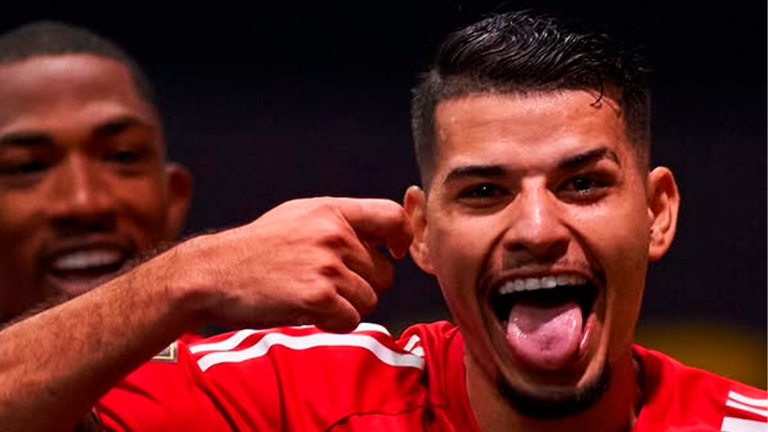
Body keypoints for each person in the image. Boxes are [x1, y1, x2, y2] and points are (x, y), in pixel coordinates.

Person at [1, 10, 765, 432]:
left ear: (657, 213)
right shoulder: (295, 396)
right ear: (421, 232)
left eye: (583, 184)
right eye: (485, 191)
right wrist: (189, 276)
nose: (537, 228)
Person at [0, 20, 192, 324]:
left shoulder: (254, 354)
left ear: (174, 200)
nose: (85, 203)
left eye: (122, 155)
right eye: (27, 166)